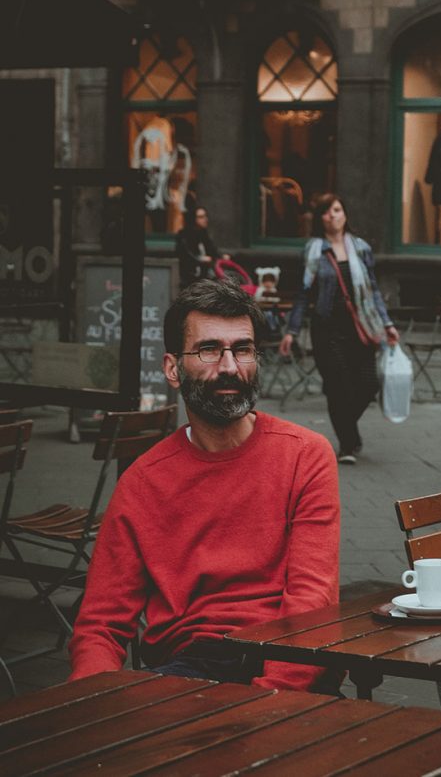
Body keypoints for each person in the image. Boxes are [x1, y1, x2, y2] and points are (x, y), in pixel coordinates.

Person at [69, 279, 341, 693]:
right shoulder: (142, 482)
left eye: (243, 349)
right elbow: (101, 625)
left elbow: (311, 600)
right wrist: (91, 705)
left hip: (286, 659)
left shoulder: (306, 455)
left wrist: (270, 701)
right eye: (209, 349)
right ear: (172, 369)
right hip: (189, 667)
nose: (230, 366)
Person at [279, 194, 399, 464]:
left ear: (345, 214)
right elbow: (303, 294)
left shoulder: (361, 248)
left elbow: (374, 291)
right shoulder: (313, 251)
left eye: (337, 210)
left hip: (361, 327)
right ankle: (348, 444)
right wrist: (292, 331)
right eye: (326, 212)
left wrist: (387, 324)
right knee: (339, 387)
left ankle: (346, 429)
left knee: (369, 384)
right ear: (320, 219)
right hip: (327, 329)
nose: (332, 215)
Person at [175, 205, 229, 288]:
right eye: (201, 217)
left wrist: (221, 256)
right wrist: (200, 258)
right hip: (190, 276)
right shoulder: (184, 235)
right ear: (193, 219)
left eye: (205, 216)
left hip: (204, 275)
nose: (205, 219)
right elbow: (186, 253)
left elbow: (212, 248)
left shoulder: (203, 233)